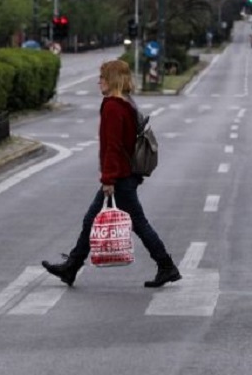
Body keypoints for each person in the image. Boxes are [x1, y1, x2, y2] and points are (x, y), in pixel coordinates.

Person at [42, 60, 181, 288]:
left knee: (137, 223)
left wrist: (108, 179)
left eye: (103, 78)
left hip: (119, 178)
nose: (99, 82)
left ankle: (166, 265)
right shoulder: (125, 104)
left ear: (113, 80)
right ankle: (72, 267)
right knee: (93, 220)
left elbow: (113, 147)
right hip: (124, 175)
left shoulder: (113, 107)